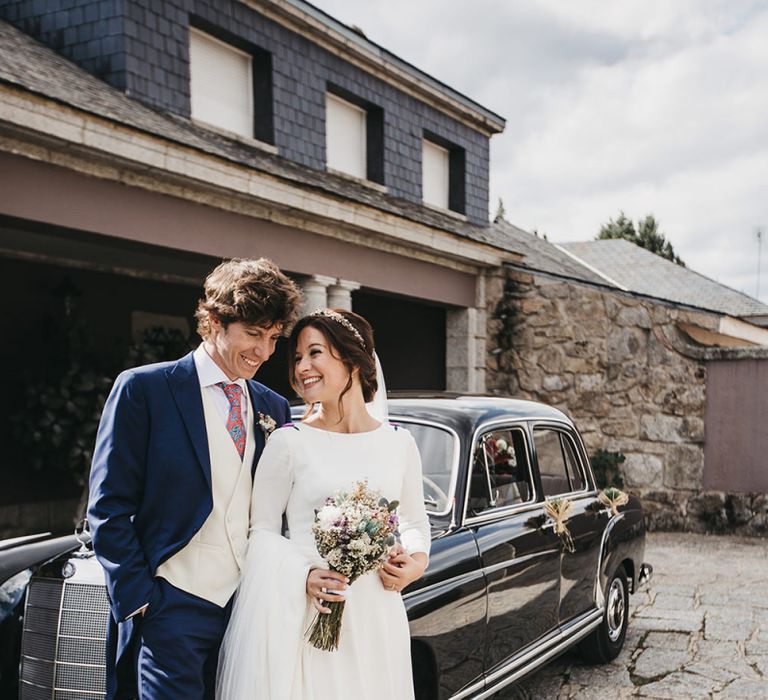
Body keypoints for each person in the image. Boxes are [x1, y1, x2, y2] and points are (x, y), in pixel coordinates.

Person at [88, 258, 302, 700]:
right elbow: (108, 507)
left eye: (273, 338)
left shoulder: (273, 408)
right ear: (216, 321)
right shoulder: (145, 389)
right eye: (253, 334)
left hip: (248, 608)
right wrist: (140, 598)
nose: (263, 352)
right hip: (171, 606)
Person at [216, 308, 431, 700]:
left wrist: (414, 563)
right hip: (310, 611)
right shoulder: (288, 442)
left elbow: (414, 522)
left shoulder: (399, 443)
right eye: (297, 357)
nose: (302, 367)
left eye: (315, 353)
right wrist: (303, 575)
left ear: (351, 359)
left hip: (377, 615)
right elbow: (259, 531)